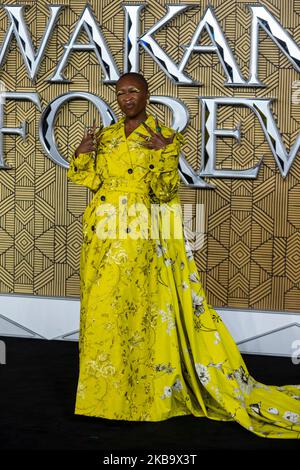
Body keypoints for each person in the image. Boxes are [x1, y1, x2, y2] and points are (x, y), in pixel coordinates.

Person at [67, 72, 300, 439]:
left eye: (134, 92)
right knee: (101, 313)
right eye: (121, 92)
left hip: (141, 234)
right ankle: (102, 398)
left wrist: (164, 154)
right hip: (101, 234)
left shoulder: (164, 136)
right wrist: (81, 156)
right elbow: (91, 181)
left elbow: (163, 192)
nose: (126, 98)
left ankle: (145, 396)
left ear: (147, 96)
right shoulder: (106, 137)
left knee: (139, 311)